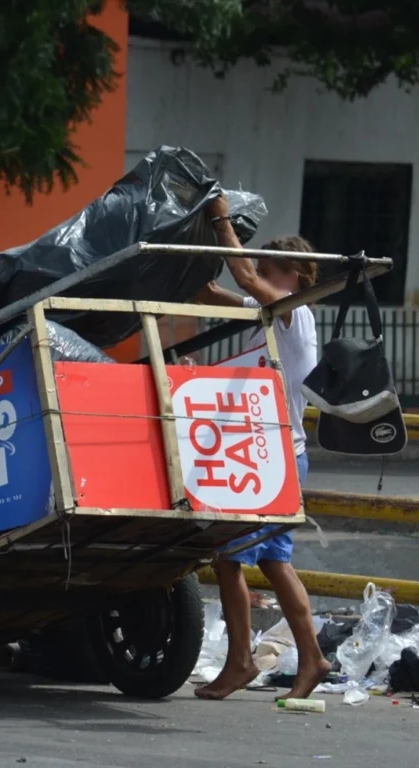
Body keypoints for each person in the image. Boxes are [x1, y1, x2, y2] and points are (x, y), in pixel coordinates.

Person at [193, 194, 331, 701]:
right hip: (273, 454)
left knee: (230, 558)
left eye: (272, 269)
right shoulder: (275, 315)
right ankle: (312, 659)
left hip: (270, 456)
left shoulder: (295, 318)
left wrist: (223, 221)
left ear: (295, 277)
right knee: (273, 562)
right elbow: (224, 295)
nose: (261, 276)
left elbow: (247, 282)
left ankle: (240, 661)